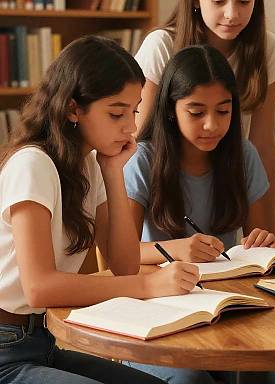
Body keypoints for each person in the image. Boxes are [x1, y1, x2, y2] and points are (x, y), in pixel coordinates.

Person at [0, 35, 200, 383]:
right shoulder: (32, 164)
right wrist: (147, 287)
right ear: (73, 108)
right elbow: (39, 288)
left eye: (134, 111)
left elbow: (124, 264)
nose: (131, 127)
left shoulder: (90, 164)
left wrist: (113, 172)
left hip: (41, 340)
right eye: (116, 113)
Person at [123, 45, 275, 384]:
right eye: (196, 112)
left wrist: (266, 242)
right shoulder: (143, 161)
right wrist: (176, 249)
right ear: (170, 110)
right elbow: (119, 256)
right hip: (157, 313)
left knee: (264, 378)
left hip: (228, 308)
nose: (212, 125)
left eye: (223, 112)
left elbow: (265, 246)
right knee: (192, 380)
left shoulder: (243, 155)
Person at [135, 0, 275, 243]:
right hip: (166, 189)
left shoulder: (266, 49)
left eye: (244, 1)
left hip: (225, 179)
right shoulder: (161, 46)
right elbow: (141, 135)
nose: (232, 14)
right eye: (218, 1)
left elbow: (263, 143)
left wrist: (270, 228)